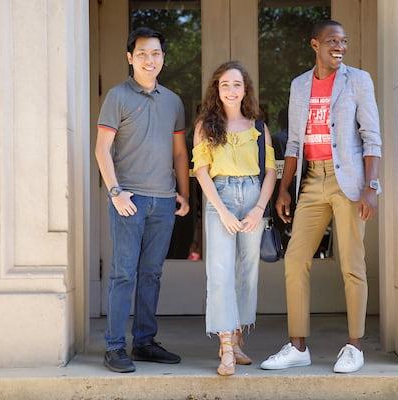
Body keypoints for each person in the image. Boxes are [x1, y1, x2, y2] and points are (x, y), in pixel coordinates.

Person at [260, 19, 382, 373]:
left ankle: (354, 346)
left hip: (349, 183)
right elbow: (295, 142)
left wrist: (370, 188)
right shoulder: (300, 85)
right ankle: (298, 345)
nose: (339, 47)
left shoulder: (358, 81)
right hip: (311, 181)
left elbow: (371, 137)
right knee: (296, 259)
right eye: (332, 41)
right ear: (315, 44)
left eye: (343, 42)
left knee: (352, 265)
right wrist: (284, 188)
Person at [95, 27, 190, 373]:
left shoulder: (173, 101)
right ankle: (115, 346)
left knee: (151, 274)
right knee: (123, 275)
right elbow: (102, 148)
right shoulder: (118, 96)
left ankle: (145, 342)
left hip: (164, 201)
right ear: (129, 58)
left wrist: (184, 193)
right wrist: (115, 192)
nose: (150, 60)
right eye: (143, 54)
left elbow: (180, 153)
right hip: (129, 200)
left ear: (163, 58)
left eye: (156, 54)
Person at [192, 61, 277, 376]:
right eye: (225, 84)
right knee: (220, 272)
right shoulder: (205, 126)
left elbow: (270, 172)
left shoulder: (258, 127)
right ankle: (225, 348)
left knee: (247, 272)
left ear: (246, 90)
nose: (230, 90)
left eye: (236, 84)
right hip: (221, 196)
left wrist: (258, 209)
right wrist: (223, 210)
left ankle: (238, 340)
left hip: (253, 197)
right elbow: (201, 171)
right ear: (217, 88)